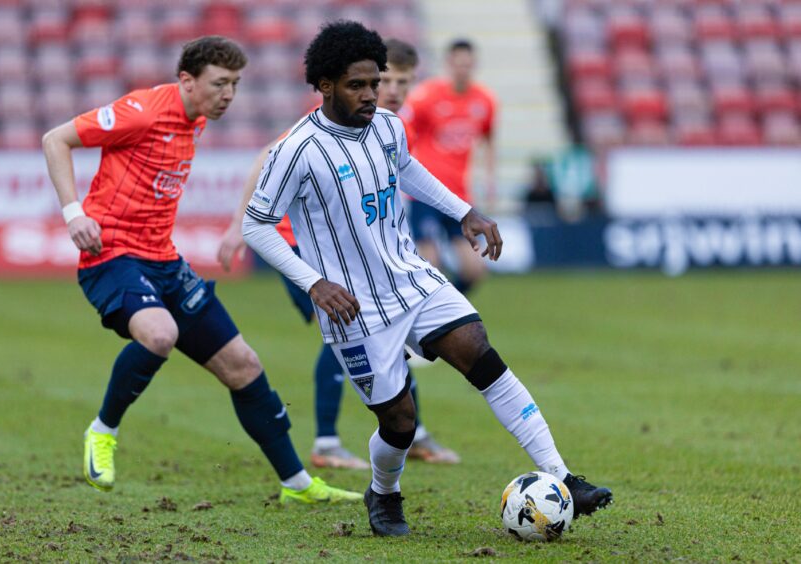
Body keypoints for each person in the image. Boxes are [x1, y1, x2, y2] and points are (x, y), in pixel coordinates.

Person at [242, 21, 613, 537]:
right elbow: (254, 226)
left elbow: (409, 170)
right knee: (399, 422)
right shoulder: (298, 150)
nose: (372, 95)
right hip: (355, 307)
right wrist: (313, 283)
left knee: (480, 352)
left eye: (376, 83)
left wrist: (466, 213)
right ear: (325, 85)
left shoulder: (389, 126)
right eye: (358, 85)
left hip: (413, 279)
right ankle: (384, 493)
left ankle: (562, 475)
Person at [41, 35, 360, 505]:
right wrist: (74, 213)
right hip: (111, 255)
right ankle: (102, 431)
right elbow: (56, 139)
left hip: (164, 260)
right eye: (219, 84)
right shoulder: (144, 109)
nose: (228, 94)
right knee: (160, 334)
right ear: (187, 80)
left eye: (235, 84)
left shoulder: (196, 120)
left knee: (244, 365)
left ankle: (297, 485)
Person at [218, 38, 460, 468]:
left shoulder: (385, 124)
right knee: (348, 332)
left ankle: (412, 430)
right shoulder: (325, 126)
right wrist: (239, 226)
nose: (396, 89)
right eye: (391, 80)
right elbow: (267, 157)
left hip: (360, 252)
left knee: (389, 333)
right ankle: (329, 442)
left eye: (405, 81)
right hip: (303, 245)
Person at [405, 39, 498, 296]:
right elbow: (403, 132)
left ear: (474, 65)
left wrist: (490, 180)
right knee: (430, 262)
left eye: (467, 64)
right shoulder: (426, 97)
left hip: (459, 196)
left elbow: (488, 140)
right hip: (426, 192)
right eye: (458, 64)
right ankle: (425, 316)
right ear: (448, 64)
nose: (463, 69)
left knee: (474, 269)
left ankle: (445, 310)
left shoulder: (484, 101)